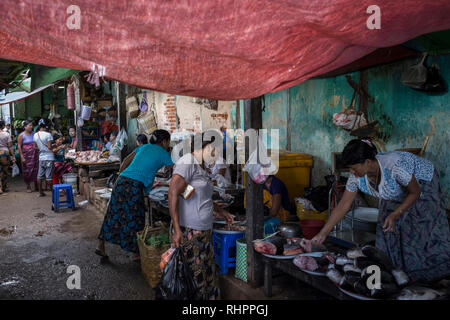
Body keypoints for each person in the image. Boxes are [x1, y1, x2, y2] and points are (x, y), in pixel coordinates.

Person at [311, 138, 450, 283]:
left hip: (422, 185)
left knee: (417, 229)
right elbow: (344, 204)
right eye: (349, 168)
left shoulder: (395, 166)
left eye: (354, 167)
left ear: (368, 162)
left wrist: (396, 213)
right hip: (396, 189)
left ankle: (424, 276)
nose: (351, 172)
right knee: (386, 226)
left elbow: (414, 193)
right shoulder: (356, 175)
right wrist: (323, 233)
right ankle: (392, 271)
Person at [169, 132, 234, 300]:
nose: (216, 155)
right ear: (207, 147)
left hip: (203, 230)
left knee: (207, 274)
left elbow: (198, 196)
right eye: (215, 150)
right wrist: (177, 230)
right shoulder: (188, 162)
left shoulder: (200, 166)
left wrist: (221, 210)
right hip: (191, 230)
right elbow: (172, 193)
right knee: (196, 278)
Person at [96, 129, 174, 262]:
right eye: (168, 142)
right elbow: (176, 170)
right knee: (135, 218)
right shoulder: (164, 153)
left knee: (113, 213)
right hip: (134, 186)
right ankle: (135, 253)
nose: (169, 144)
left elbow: (126, 160)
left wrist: (120, 175)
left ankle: (101, 245)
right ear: (165, 141)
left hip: (122, 180)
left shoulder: (143, 147)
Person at [33, 119, 55, 197]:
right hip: (49, 157)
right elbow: (49, 147)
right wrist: (56, 145)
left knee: (39, 176)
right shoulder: (48, 135)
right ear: (47, 126)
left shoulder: (35, 135)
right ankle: (54, 193)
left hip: (41, 158)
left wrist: (41, 149)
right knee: (49, 177)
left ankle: (40, 192)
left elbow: (35, 147)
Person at [17, 120, 39, 192]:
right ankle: (28, 186)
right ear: (25, 127)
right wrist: (22, 156)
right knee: (26, 171)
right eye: (29, 125)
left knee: (36, 170)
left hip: (35, 155)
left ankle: (36, 185)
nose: (31, 127)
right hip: (26, 156)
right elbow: (19, 146)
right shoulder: (21, 135)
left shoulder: (34, 134)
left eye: (31, 125)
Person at [0, 120, 16, 194]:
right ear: (3, 126)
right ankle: (4, 187)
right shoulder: (6, 134)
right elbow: (10, 146)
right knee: (5, 171)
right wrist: (13, 156)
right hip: (4, 153)